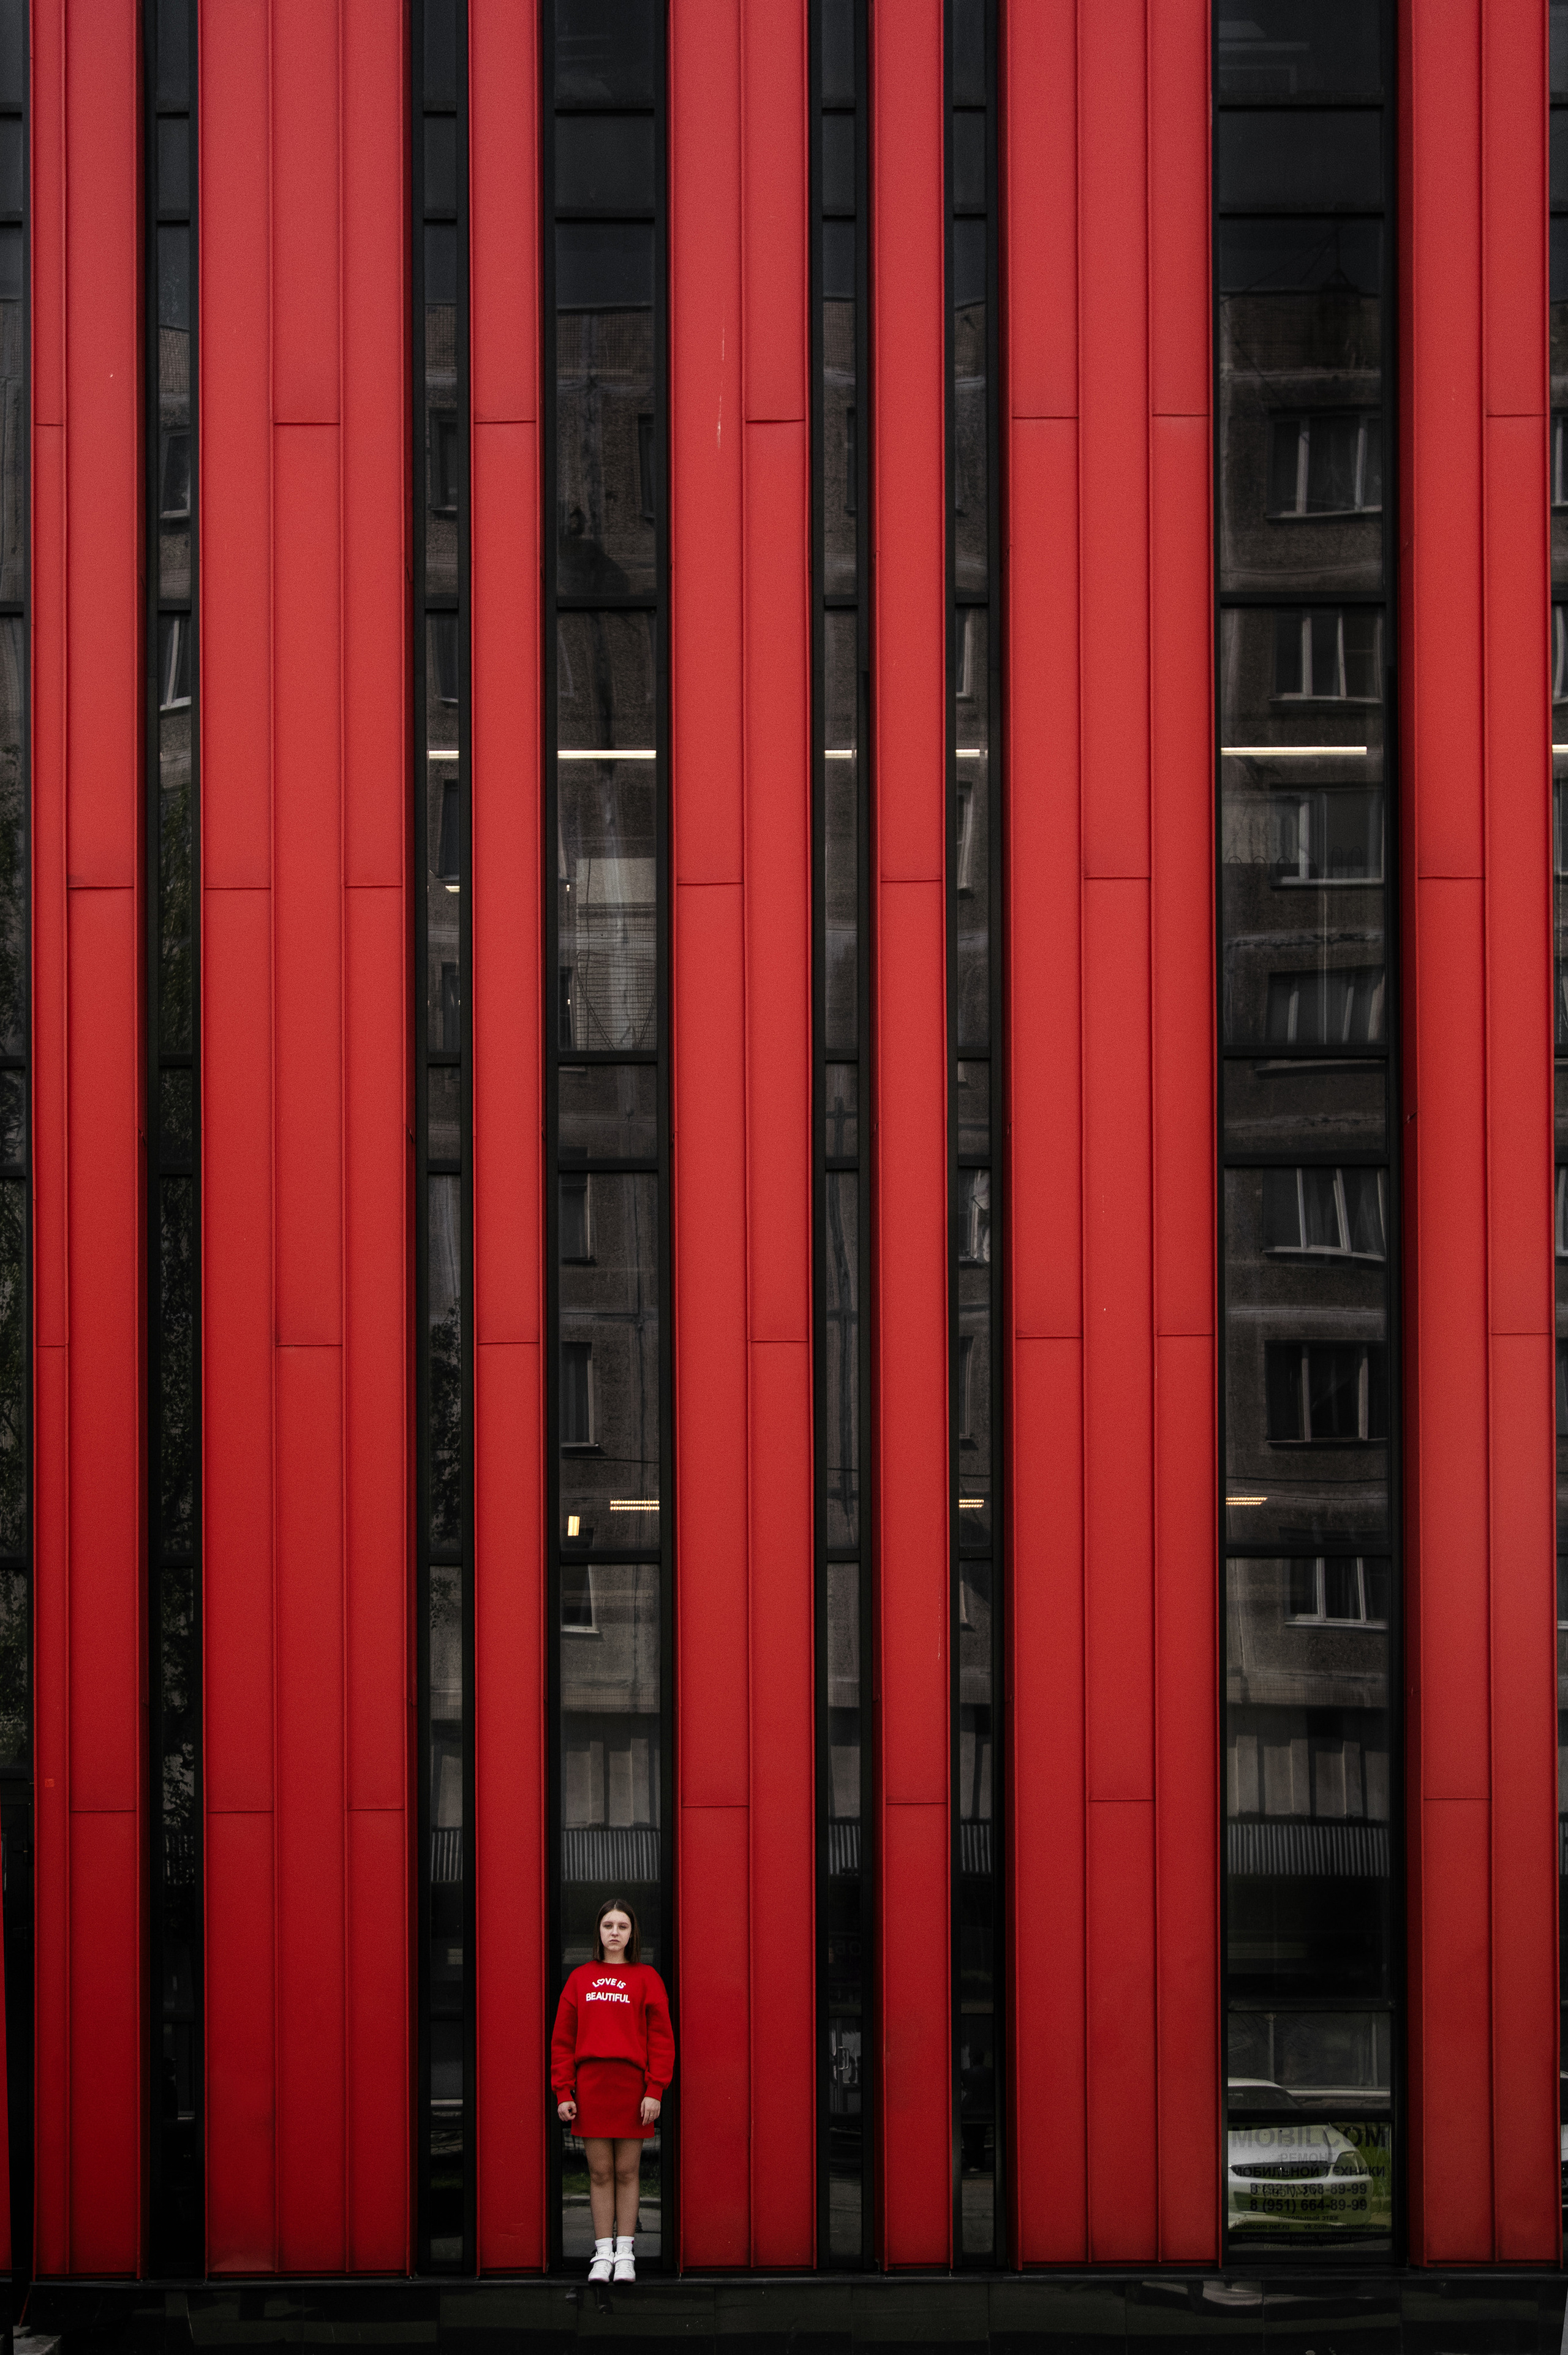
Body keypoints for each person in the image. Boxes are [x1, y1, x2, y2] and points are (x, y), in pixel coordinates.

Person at [551, 1897, 674, 2284]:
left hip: (633, 2090)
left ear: (632, 1933)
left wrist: (655, 2089)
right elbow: (563, 2040)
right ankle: (603, 2253)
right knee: (600, 2172)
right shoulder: (580, 1978)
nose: (615, 1933)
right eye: (608, 1926)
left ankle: (626, 2253)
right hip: (591, 2088)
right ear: (599, 1932)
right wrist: (564, 2091)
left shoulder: (647, 1978)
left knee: (627, 2171)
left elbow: (662, 2040)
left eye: (622, 1926)